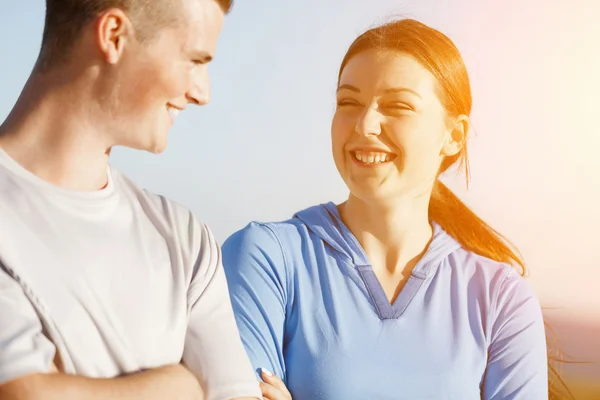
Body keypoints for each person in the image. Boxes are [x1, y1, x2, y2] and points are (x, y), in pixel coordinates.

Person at [222, 18, 556, 400]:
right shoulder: (266, 258)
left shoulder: (501, 298)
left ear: (454, 135)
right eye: (349, 102)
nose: (365, 125)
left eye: (397, 106)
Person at [0, 1, 261, 399]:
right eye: (194, 59)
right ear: (114, 36)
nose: (202, 92)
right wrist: (184, 386)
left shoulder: (186, 239)